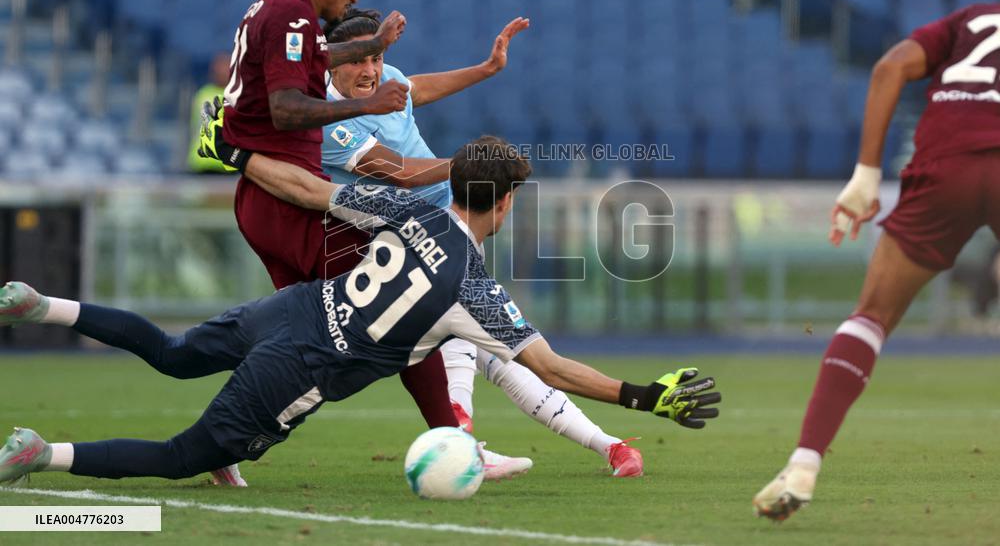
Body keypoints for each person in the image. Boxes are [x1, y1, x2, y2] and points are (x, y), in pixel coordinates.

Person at [0, 137, 722, 484]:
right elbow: (551, 368)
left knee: (171, 351)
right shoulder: (474, 289)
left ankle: (43, 305)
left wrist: (240, 154)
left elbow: (312, 191)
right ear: (502, 205)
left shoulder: (409, 208)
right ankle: (43, 453)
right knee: (185, 456)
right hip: (303, 366)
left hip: (289, 311)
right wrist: (642, 396)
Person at [297, 9, 644, 476]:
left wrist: (486, 70)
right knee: (476, 339)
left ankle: (606, 447)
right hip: (403, 239)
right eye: (360, 62)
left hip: (449, 224)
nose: (372, 71)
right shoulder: (328, 121)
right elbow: (396, 172)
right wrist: (472, 166)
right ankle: (463, 441)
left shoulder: (384, 80)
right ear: (333, 65)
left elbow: (414, 90)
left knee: (500, 350)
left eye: (377, 59)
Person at [212, 0, 464, 477]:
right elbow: (285, 109)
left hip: (264, 197)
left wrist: (371, 44)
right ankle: (455, 445)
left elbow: (320, 58)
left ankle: (221, 445)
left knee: (292, 334)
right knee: (400, 303)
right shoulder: (291, 16)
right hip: (289, 199)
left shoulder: (275, 9)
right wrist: (367, 104)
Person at [753, 3, 1000, 521]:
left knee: (871, 317)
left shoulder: (971, 17)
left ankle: (804, 463)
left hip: (945, 162)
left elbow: (889, 67)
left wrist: (866, 176)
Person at [188, 52, 232, 174]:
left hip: (229, 162)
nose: (222, 72)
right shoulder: (204, 94)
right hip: (204, 162)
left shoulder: (237, 95)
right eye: (219, 68)